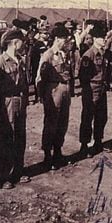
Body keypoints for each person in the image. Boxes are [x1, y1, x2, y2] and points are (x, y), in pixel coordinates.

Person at [0, 29, 31, 189]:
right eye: (22, 42)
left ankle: (18, 171)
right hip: (6, 103)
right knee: (6, 139)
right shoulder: (0, 63)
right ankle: (4, 176)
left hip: (19, 101)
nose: (24, 44)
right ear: (14, 42)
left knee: (20, 137)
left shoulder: (20, 59)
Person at [36, 25, 71, 170]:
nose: (66, 42)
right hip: (53, 90)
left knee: (62, 122)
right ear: (57, 39)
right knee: (51, 123)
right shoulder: (48, 55)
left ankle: (58, 151)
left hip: (64, 91)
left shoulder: (64, 54)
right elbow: (39, 78)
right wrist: (42, 96)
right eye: (64, 39)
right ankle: (47, 155)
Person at [78, 21, 111, 157]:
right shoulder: (88, 55)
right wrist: (89, 91)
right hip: (91, 89)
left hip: (101, 88)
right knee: (87, 118)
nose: (104, 40)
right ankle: (84, 146)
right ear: (95, 39)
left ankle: (98, 142)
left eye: (104, 37)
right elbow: (83, 76)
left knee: (101, 117)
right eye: (101, 38)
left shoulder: (103, 53)